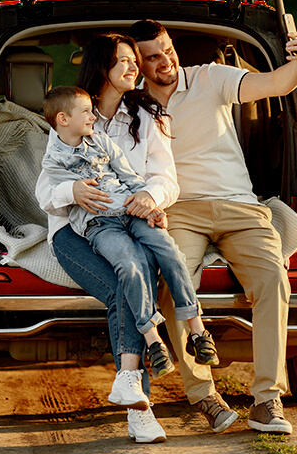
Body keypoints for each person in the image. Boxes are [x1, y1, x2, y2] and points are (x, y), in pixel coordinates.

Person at [35, 34, 238, 444]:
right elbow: (45, 191)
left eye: (134, 61)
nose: (135, 68)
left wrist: (150, 196)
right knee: (124, 285)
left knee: (141, 269)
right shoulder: (75, 114)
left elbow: (166, 178)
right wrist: (70, 193)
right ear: (101, 69)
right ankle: (140, 408)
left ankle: (134, 390)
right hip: (77, 229)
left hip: (133, 215)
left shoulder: (148, 115)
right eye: (124, 61)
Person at [127, 19, 297, 434]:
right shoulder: (132, 106)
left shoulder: (211, 77)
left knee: (272, 277)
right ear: (137, 63)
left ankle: (267, 400)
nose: (165, 61)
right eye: (152, 57)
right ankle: (206, 398)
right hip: (180, 212)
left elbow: (278, 83)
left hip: (239, 207)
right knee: (175, 286)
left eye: (167, 49)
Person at [39, 85, 220, 377]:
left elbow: (130, 178)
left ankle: (198, 330)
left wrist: (151, 205)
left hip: (131, 211)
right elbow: (52, 199)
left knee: (170, 252)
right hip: (99, 225)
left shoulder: (101, 141)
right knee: (129, 266)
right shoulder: (53, 161)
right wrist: (71, 191)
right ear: (63, 119)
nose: (91, 117)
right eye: (85, 112)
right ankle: (153, 341)